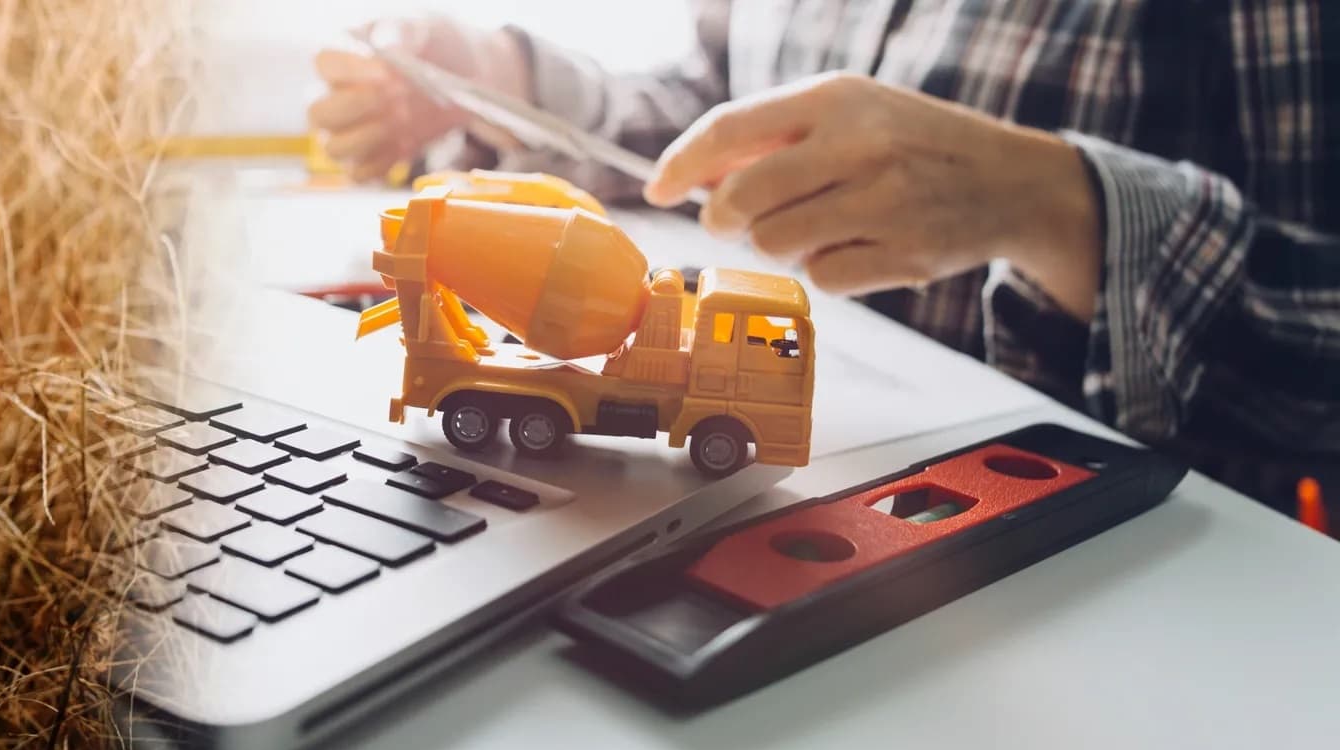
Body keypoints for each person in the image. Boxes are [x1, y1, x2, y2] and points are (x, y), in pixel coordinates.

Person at [309, 1, 1337, 512]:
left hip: (1080, 552)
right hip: (754, 511)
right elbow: (702, 121)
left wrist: (1060, 206)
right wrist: (503, 77)